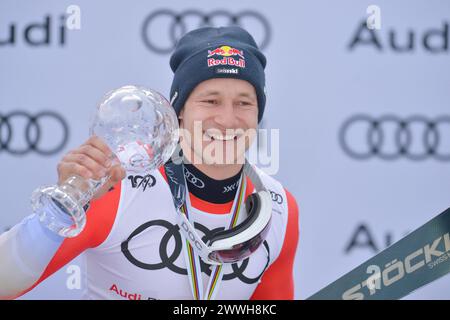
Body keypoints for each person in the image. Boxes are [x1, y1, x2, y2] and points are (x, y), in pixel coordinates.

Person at [0, 26, 299, 300]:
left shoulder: (279, 206)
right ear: (179, 111)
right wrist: (63, 207)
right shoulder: (117, 183)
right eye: (210, 100)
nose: (227, 119)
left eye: (244, 103)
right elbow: (5, 283)